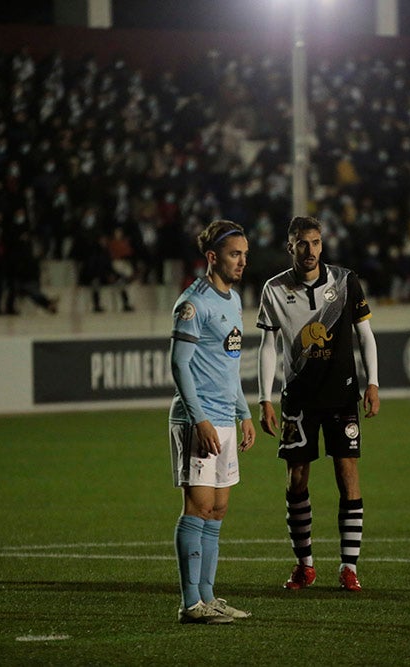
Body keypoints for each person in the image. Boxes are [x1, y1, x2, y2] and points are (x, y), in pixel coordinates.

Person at [256, 215, 380, 592]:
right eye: (301, 243)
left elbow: (365, 335)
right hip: (298, 398)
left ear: (322, 244)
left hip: (342, 395)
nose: (309, 250)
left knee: (348, 477)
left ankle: (349, 567)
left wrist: (372, 382)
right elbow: (267, 346)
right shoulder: (274, 289)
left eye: (315, 242)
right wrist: (264, 398)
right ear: (289, 246)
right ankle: (304, 565)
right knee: (296, 480)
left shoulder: (345, 281)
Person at [168, 219, 256, 624]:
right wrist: (200, 418)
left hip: (224, 417)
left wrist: (243, 413)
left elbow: (230, 365)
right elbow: (179, 364)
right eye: (235, 254)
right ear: (212, 257)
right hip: (196, 420)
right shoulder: (194, 302)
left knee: (218, 509)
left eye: (244, 254)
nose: (241, 261)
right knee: (198, 506)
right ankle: (190, 604)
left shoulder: (234, 301)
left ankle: (208, 598)